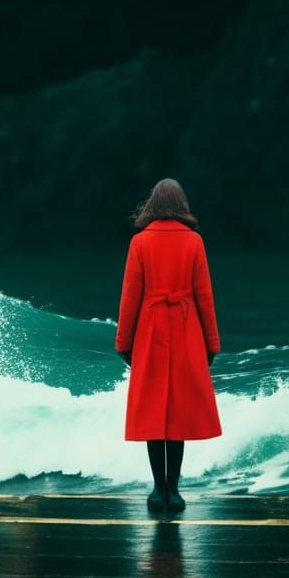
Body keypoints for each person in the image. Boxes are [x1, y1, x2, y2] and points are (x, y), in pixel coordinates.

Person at [115, 178, 222, 514]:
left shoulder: (140, 242)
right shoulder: (194, 241)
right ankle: (174, 491)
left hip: (150, 329)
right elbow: (204, 295)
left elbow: (130, 296)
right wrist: (211, 343)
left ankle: (157, 489)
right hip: (187, 329)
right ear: (181, 205)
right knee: (178, 414)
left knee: (152, 413)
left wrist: (124, 342)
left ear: (152, 205)